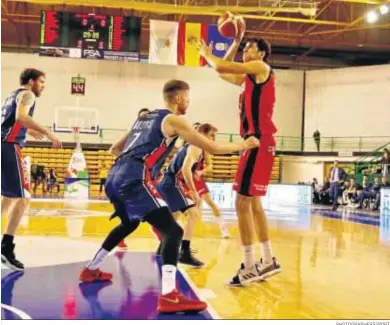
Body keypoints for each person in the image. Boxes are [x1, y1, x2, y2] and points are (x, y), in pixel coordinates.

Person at [79, 79, 259, 313]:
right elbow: (211, 148)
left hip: (115, 176)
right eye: (187, 97)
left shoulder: (143, 119)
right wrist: (244, 144)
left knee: (129, 224)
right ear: (177, 98)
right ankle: (169, 296)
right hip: (135, 178)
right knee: (173, 231)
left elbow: (115, 148)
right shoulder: (174, 120)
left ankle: (91, 269)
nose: (188, 102)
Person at [198, 32, 282, 285]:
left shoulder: (260, 67)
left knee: (242, 204)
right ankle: (267, 260)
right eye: (244, 49)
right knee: (253, 205)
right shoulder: (249, 78)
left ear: (262, 54)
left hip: (257, 141)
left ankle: (248, 265)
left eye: (249, 48)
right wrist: (233, 44)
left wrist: (205, 54)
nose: (246, 52)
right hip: (261, 142)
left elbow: (220, 65)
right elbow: (221, 72)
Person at [1, 68, 62, 271]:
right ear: (30, 81)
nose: (43, 86)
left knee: (9, 197)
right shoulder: (27, 94)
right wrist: (48, 132)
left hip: (3, 144)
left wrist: (30, 130)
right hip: (9, 146)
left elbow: (11, 120)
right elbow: (21, 117)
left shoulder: (12, 94)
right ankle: (6, 249)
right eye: (41, 82)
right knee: (24, 196)